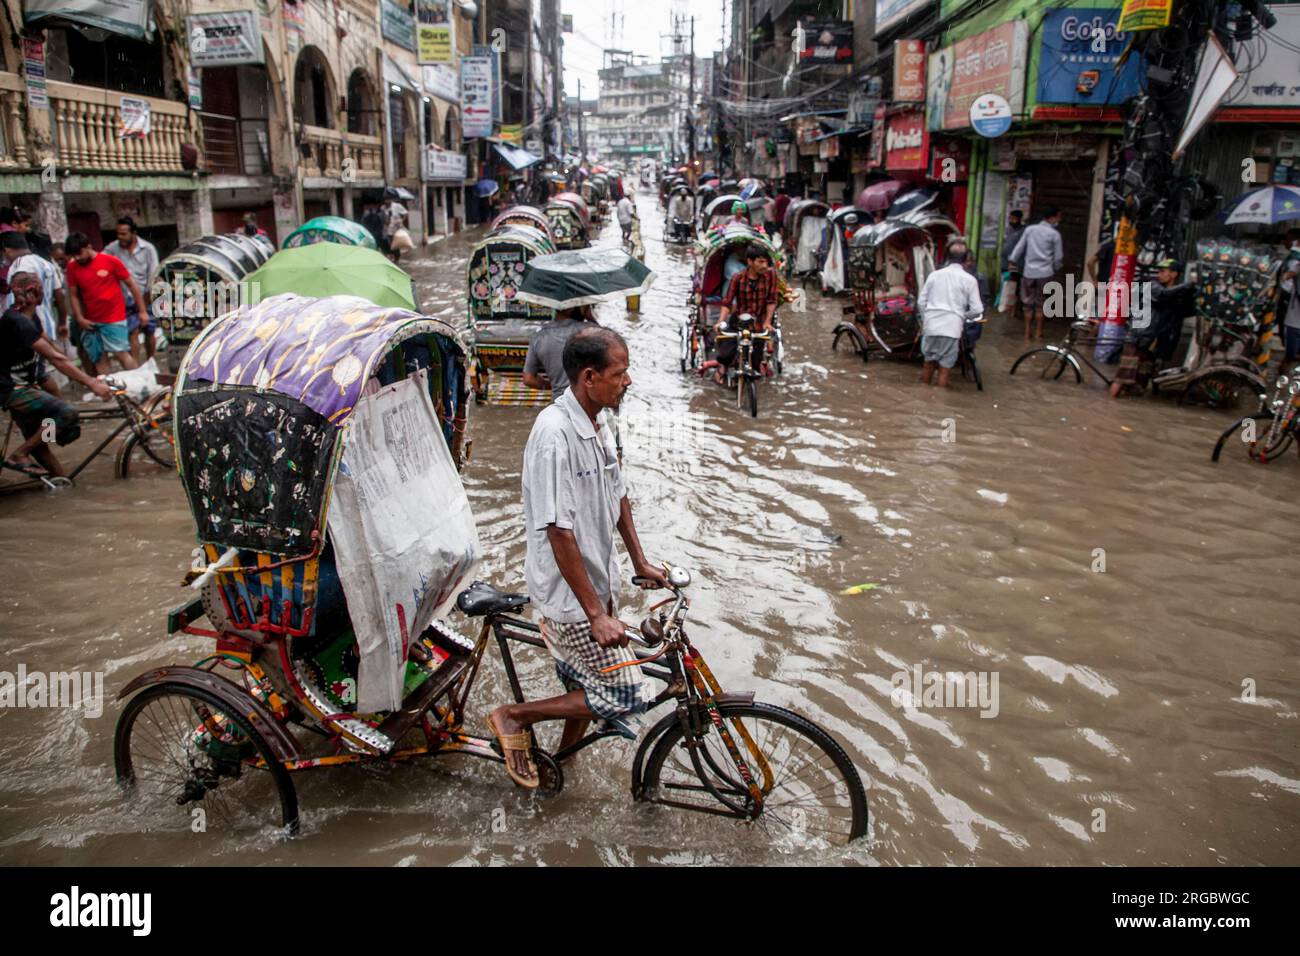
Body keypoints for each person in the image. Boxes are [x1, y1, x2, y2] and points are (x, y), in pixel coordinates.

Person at [489, 327, 666, 788]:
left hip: (597, 581)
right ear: (589, 377)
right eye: (619, 373)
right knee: (623, 691)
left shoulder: (597, 420)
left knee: (584, 687)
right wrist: (594, 614)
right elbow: (557, 530)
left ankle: (561, 767)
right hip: (569, 598)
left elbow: (618, 493)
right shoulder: (553, 433)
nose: (627, 382)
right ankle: (513, 715)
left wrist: (641, 563)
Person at [2, 272, 113, 476]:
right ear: (34, 292)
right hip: (11, 390)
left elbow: (53, 351)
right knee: (67, 414)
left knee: (41, 443)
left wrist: (68, 381)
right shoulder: (18, 321)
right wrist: (91, 383)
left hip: (24, 386)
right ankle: (19, 454)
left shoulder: (30, 317)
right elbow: (55, 358)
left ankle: (59, 483)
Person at [1109, 258, 1195, 398]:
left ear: (1174, 274)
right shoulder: (1152, 286)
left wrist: (1190, 294)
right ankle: (1110, 405)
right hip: (1137, 338)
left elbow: (1188, 311)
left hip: (1152, 343)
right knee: (1123, 377)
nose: (1159, 274)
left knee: (1141, 381)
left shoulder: (1177, 295)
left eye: (1163, 271)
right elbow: (1162, 295)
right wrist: (1188, 286)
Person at [65, 232, 142, 375]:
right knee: (99, 358)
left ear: (88, 246)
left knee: (121, 354)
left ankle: (139, 382)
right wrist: (80, 318)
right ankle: (109, 391)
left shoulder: (110, 261)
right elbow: (73, 295)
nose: (77, 258)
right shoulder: (72, 267)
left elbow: (132, 285)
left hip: (114, 318)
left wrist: (142, 311)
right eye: (74, 255)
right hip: (91, 320)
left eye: (79, 253)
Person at [917, 239, 983, 388]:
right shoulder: (970, 280)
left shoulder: (934, 275)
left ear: (947, 256)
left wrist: (925, 320)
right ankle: (940, 402)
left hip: (931, 326)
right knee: (944, 370)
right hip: (951, 329)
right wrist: (961, 317)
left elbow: (921, 302)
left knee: (928, 365)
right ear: (966, 258)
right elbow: (977, 310)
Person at [712, 244, 778, 385]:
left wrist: (767, 322)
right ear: (750, 261)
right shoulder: (738, 278)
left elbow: (772, 300)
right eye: (760, 262)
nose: (764, 265)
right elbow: (727, 303)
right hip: (739, 323)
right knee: (726, 354)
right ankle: (722, 369)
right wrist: (720, 322)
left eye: (766, 261)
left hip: (759, 324)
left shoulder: (771, 276)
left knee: (755, 362)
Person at [103, 217, 159, 364]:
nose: (120, 237)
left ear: (133, 233)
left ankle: (150, 362)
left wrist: (145, 303)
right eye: (118, 234)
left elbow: (153, 275)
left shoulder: (148, 249)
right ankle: (135, 366)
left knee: (149, 330)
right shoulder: (111, 249)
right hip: (124, 299)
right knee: (132, 332)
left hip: (146, 296)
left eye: (124, 234)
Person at [2, 233, 67, 353]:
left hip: (28, 330)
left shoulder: (19, 266)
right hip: (46, 327)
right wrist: (62, 322)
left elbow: (22, 302)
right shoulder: (46, 263)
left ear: (6, 250)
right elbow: (60, 295)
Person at [1009, 205, 1063, 341]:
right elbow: (1058, 257)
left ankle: (1027, 333)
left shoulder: (1030, 230)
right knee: (1041, 303)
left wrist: (1012, 260)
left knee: (1027, 304)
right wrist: (1055, 268)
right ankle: (1038, 332)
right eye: (1058, 217)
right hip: (1045, 273)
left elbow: (1019, 248)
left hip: (1029, 272)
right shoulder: (1055, 235)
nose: (1059, 219)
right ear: (1053, 217)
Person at [522, 305, 596, 399]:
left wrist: (552, 386)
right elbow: (610, 341)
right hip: (588, 403)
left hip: (559, 401)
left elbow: (528, 379)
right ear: (571, 308)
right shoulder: (590, 330)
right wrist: (590, 316)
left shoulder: (540, 336)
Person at [1280, 239, 1300, 371]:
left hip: (1294, 316)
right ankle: (1287, 362)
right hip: (1295, 314)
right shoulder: (1297, 265)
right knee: (1290, 351)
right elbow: (1286, 277)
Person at [381, 193, 408, 263]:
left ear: (391, 200)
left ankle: (397, 258)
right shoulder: (383, 208)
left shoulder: (397, 206)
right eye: (386, 200)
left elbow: (405, 213)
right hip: (387, 229)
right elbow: (383, 218)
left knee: (395, 243)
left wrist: (401, 220)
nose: (387, 201)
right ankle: (394, 257)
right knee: (390, 243)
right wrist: (385, 221)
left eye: (388, 200)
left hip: (396, 228)